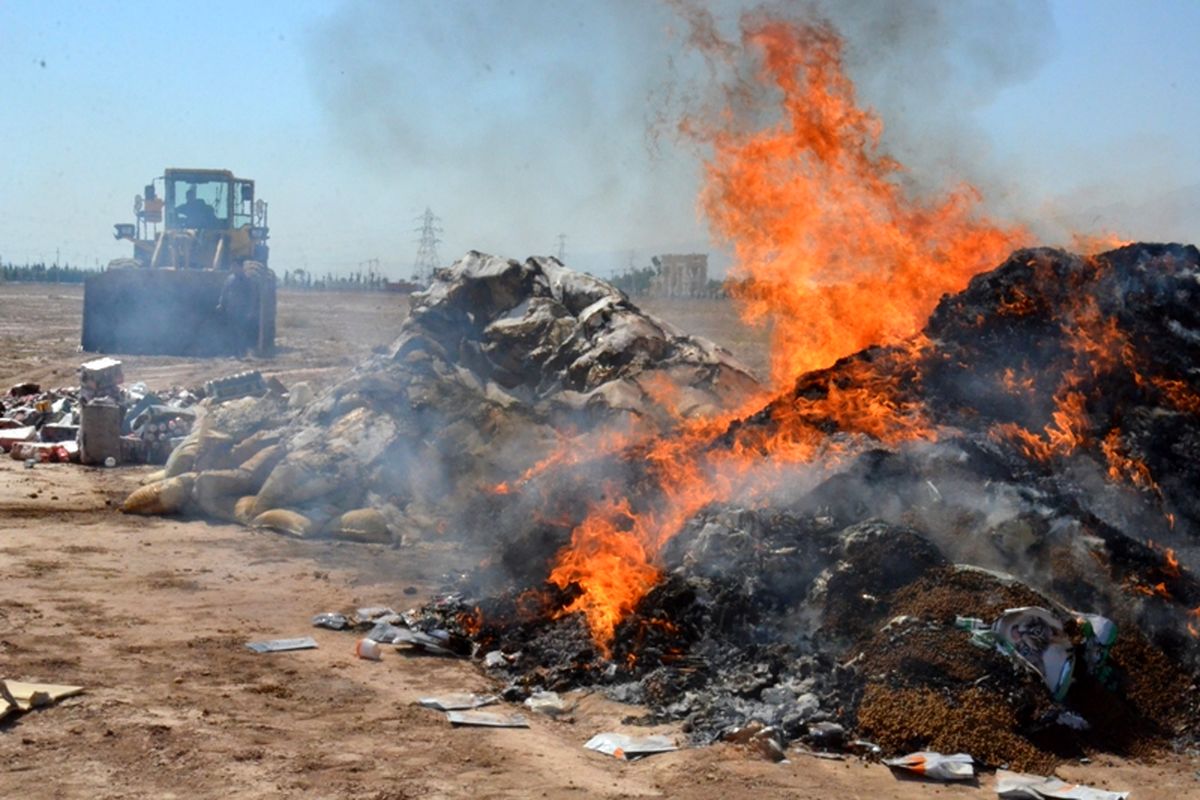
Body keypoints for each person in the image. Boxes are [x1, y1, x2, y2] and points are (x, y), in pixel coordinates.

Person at [217, 261, 261, 356]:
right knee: (232, 332)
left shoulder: (247, 281)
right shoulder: (230, 279)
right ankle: (234, 352)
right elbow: (224, 292)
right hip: (231, 310)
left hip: (242, 311)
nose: (233, 269)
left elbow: (252, 297)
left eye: (235, 267)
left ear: (240, 268)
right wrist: (221, 304)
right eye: (232, 267)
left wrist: (251, 310)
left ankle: (242, 352)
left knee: (241, 332)